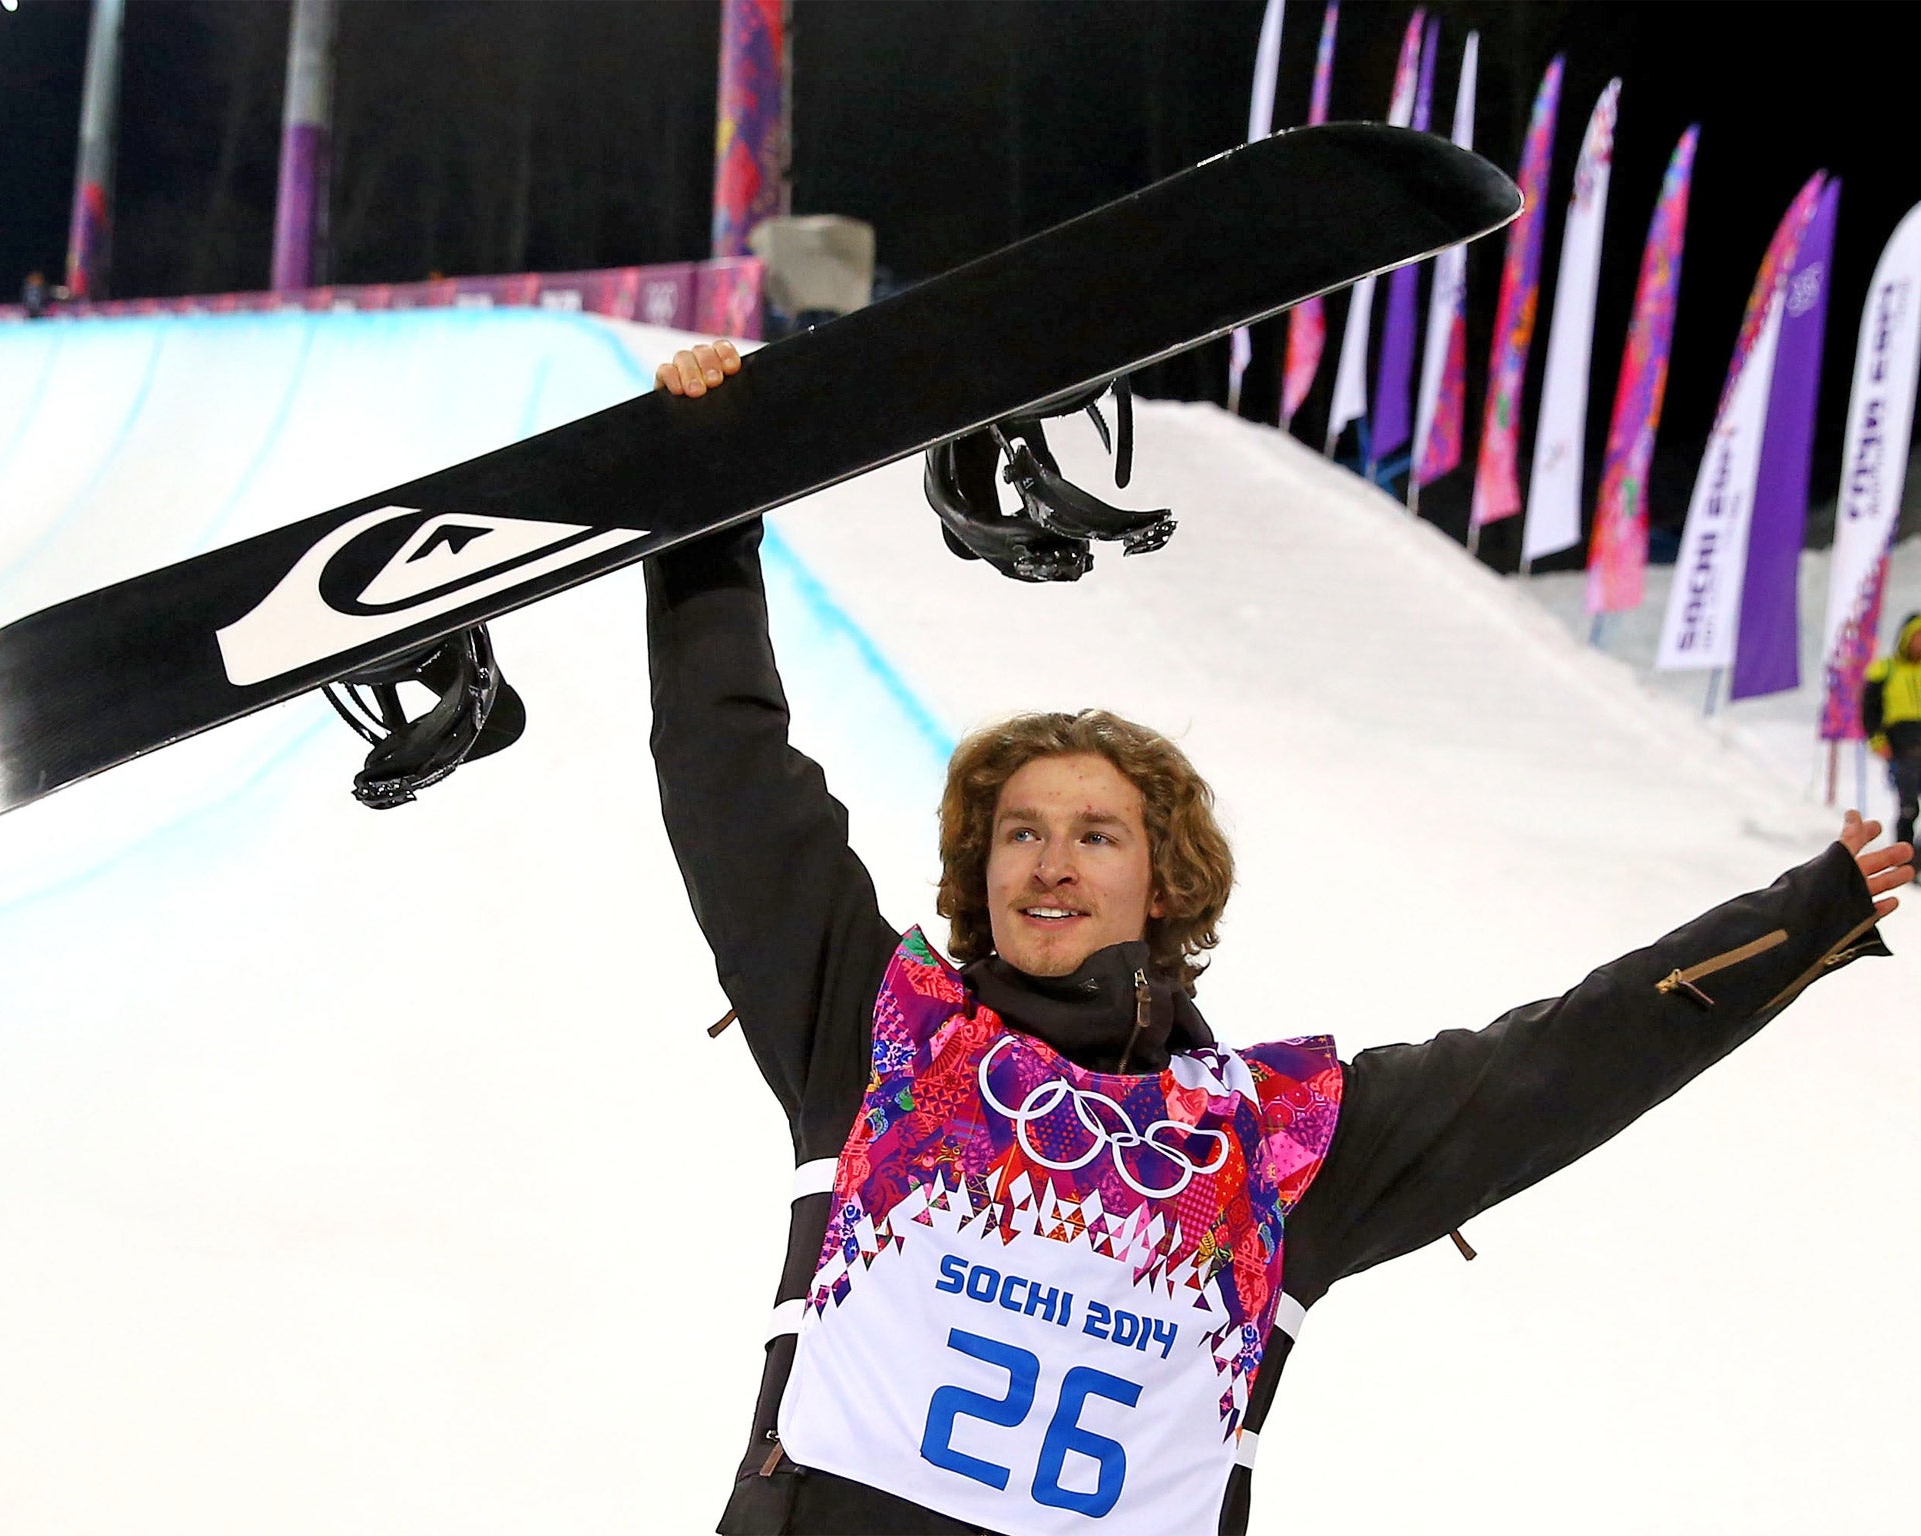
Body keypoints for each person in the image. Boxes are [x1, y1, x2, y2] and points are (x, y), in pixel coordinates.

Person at [646, 341, 1911, 1536]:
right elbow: (731, 779)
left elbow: (1563, 1060)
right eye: (1019, 832)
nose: (1046, 860)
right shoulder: (882, 1037)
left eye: (1096, 835)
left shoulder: (1277, 1143)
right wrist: (704, 502)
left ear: (1165, 884)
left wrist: (1803, 920)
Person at [1864, 611, 1921, 850]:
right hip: (1903, 749)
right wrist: (1877, 741)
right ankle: (1903, 856)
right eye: (1916, 637)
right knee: (1909, 807)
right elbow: (1870, 710)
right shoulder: (1885, 670)